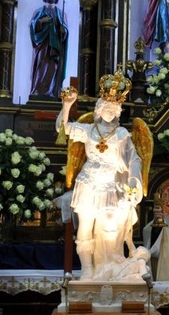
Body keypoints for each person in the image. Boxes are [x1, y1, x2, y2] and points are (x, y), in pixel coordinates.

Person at [58, 74, 145, 281]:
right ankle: (87, 269)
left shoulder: (122, 133)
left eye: (115, 109)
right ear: (98, 109)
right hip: (88, 182)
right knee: (86, 225)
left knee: (110, 230)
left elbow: (134, 159)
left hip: (111, 185)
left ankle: (109, 265)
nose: (111, 112)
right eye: (107, 108)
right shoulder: (88, 130)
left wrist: (133, 182)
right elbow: (64, 129)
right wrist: (67, 105)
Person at [30, 0, 68, 98]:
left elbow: (65, 30)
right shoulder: (39, 12)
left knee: (52, 68)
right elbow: (33, 27)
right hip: (42, 45)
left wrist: (63, 30)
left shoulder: (60, 14)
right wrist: (41, 21)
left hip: (54, 47)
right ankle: (37, 90)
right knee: (41, 66)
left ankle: (50, 91)